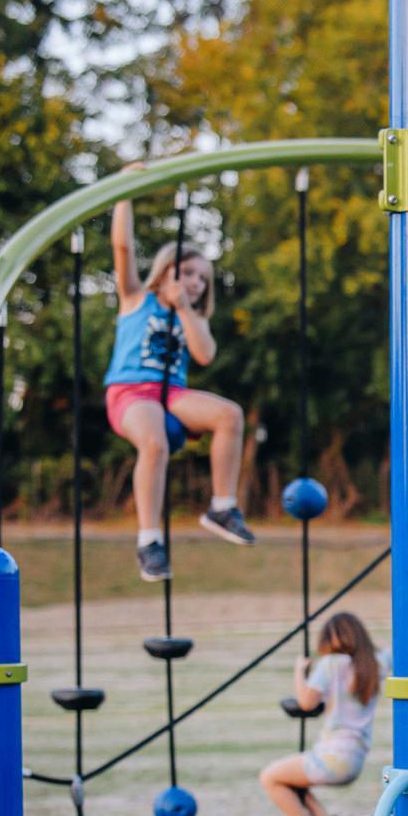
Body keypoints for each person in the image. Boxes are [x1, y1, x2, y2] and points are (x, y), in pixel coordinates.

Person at [107, 168, 254, 582]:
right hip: (130, 392)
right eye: (188, 273)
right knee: (154, 441)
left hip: (171, 393)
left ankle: (222, 506)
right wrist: (124, 193)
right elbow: (122, 246)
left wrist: (185, 308)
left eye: (202, 279)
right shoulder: (136, 297)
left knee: (230, 415)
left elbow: (205, 355)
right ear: (166, 270)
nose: (195, 283)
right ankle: (148, 540)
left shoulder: (192, 316)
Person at [256, 612, 386, 816]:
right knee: (293, 782)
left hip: (330, 757)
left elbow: (306, 702)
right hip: (355, 759)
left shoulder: (331, 664)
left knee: (270, 778)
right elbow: (393, 652)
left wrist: (299, 670)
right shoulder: (377, 663)